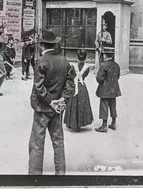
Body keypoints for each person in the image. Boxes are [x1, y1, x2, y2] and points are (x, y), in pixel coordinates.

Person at [29, 29, 75, 175]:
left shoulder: (41, 61)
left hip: (42, 108)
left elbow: (39, 87)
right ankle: (60, 174)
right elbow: (70, 84)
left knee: (37, 143)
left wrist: (50, 101)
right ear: (55, 44)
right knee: (58, 142)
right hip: (58, 109)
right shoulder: (64, 60)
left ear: (41, 45)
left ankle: (35, 177)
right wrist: (63, 99)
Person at [64, 49, 94, 132]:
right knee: (81, 103)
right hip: (82, 86)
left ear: (77, 57)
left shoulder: (73, 67)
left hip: (74, 86)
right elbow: (84, 76)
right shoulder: (87, 68)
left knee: (73, 103)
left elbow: (69, 75)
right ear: (86, 57)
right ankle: (80, 124)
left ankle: (73, 123)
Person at [95, 47, 121, 133]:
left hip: (104, 89)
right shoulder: (116, 65)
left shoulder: (103, 65)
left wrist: (97, 77)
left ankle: (104, 125)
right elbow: (118, 77)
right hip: (114, 89)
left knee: (104, 106)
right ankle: (113, 123)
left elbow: (99, 78)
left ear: (105, 55)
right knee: (113, 106)